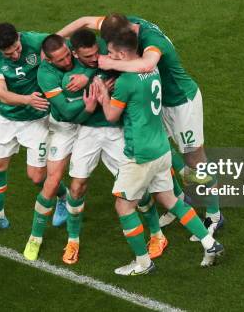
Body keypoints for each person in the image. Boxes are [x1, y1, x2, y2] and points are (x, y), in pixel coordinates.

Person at [57, 14, 224, 236]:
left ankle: (214, 214)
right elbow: (85, 21)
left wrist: (110, 63)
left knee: (195, 160)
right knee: (161, 149)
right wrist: (54, 41)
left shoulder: (153, 40)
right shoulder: (121, 22)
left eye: (114, 49)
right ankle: (179, 202)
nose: (109, 51)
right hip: (158, 101)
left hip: (181, 102)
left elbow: (147, 65)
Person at [95, 30, 223, 276]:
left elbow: (111, 116)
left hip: (140, 155)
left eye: (111, 53)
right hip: (161, 150)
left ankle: (143, 263)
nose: (108, 57)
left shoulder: (124, 83)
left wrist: (103, 94)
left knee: (124, 207)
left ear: (123, 54)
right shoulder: (152, 70)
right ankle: (210, 243)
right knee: (170, 200)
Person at [61, 29, 168, 265]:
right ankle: (73, 240)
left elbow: (135, 66)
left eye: (96, 54)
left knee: (135, 186)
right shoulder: (70, 73)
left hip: (116, 132)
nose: (95, 59)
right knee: (77, 186)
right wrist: (91, 86)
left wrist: (96, 82)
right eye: (87, 57)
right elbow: (69, 112)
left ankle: (157, 234)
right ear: (75, 54)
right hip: (88, 132)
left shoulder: (111, 58)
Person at [0, 23, 65, 237]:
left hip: (38, 118)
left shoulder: (35, 41)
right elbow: (2, 94)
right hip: (7, 117)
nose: (16, 55)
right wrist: (28, 100)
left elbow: (62, 44)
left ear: (19, 37)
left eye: (17, 49)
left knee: (36, 177)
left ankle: (64, 198)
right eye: (9, 53)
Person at [23, 34, 93, 260]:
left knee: (152, 162)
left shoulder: (83, 52)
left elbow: (99, 64)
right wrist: (90, 99)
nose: (67, 62)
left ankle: (195, 205)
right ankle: (35, 238)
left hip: (92, 126)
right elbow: (65, 110)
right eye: (60, 60)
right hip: (64, 126)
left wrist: (87, 77)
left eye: (67, 55)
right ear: (49, 61)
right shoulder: (45, 74)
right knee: (51, 182)